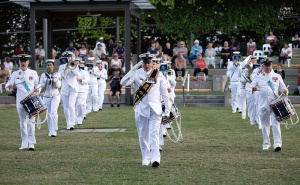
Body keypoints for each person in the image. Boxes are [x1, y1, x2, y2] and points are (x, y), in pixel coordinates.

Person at [120, 53, 169, 167]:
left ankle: (155, 159)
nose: (147, 65)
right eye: (144, 63)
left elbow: (165, 94)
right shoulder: (136, 74)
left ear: (152, 63)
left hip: (155, 109)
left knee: (154, 133)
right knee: (143, 135)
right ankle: (146, 157)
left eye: (149, 63)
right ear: (141, 63)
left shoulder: (158, 75)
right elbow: (123, 82)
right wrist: (133, 68)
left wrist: (167, 110)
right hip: (141, 109)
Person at [251, 58, 288, 151]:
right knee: (265, 125)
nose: (268, 67)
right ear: (262, 66)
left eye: (269, 65)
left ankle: (277, 144)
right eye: (266, 65)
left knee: (276, 124)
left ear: (272, 65)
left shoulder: (277, 76)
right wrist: (253, 88)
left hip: (274, 104)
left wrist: (285, 91)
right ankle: (266, 144)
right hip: (262, 104)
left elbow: (284, 89)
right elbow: (250, 88)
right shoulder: (257, 76)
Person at [5, 54, 40, 150]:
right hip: (20, 101)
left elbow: (37, 85)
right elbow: (8, 84)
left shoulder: (33, 73)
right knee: (22, 123)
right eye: (21, 61)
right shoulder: (15, 74)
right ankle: (24, 142)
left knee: (31, 122)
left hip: (31, 101)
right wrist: (9, 86)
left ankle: (31, 143)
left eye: (25, 61)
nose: (23, 63)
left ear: (28, 62)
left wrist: (37, 89)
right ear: (19, 62)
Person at [39, 59, 61, 137]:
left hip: (55, 95)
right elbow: (41, 86)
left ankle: (54, 129)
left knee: (53, 112)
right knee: (48, 114)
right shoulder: (43, 75)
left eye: (51, 65)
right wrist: (45, 82)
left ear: (53, 66)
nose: (49, 67)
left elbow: (59, 85)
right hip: (46, 96)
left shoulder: (57, 74)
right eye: (48, 65)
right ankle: (50, 130)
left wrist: (55, 81)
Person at [58, 51, 79, 130]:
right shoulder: (61, 67)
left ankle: (72, 123)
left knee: (71, 105)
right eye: (66, 56)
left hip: (73, 88)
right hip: (65, 88)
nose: (68, 58)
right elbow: (61, 76)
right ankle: (68, 122)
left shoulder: (75, 65)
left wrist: (71, 68)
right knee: (66, 107)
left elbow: (77, 74)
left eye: (69, 56)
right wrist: (66, 68)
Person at [76, 57, 90, 125]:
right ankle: (74, 119)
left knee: (81, 104)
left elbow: (87, 81)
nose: (76, 63)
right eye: (75, 62)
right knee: (73, 106)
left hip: (81, 89)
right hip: (73, 90)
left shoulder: (84, 72)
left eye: (77, 62)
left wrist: (81, 80)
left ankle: (80, 118)